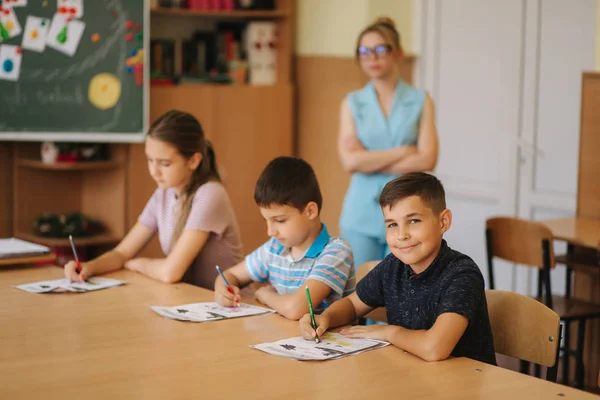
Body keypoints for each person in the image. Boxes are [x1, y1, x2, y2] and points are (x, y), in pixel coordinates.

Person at [300, 172, 497, 365]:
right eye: (392, 224)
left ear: (443, 222)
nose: (402, 235)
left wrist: (388, 331)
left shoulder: (462, 274)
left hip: (466, 385)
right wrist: (325, 318)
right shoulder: (394, 265)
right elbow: (352, 305)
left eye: (413, 221)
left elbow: (434, 348)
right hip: (414, 375)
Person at [64, 110, 243, 289]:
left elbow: (170, 272)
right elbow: (123, 251)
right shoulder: (163, 194)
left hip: (231, 307)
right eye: (150, 160)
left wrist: (134, 264)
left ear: (194, 161)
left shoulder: (210, 194)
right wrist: (88, 267)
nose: (154, 171)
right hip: (193, 303)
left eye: (165, 163)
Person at [338, 17, 439, 268]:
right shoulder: (352, 103)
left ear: (398, 54)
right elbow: (350, 161)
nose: (372, 57)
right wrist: (404, 151)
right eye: (364, 51)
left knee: (404, 291)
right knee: (362, 292)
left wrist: (368, 159)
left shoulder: (420, 100)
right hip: (361, 212)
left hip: (408, 209)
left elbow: (427, 159)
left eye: (380, 49)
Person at [214, 156, 355, 320]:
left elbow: (296, 309)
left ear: (310, 211)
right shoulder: (275, 248)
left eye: (279, 221)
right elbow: (230, 275)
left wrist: (265, 295)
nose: (270, 231)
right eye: (266, 220)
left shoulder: (336, 252)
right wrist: (223, 290)